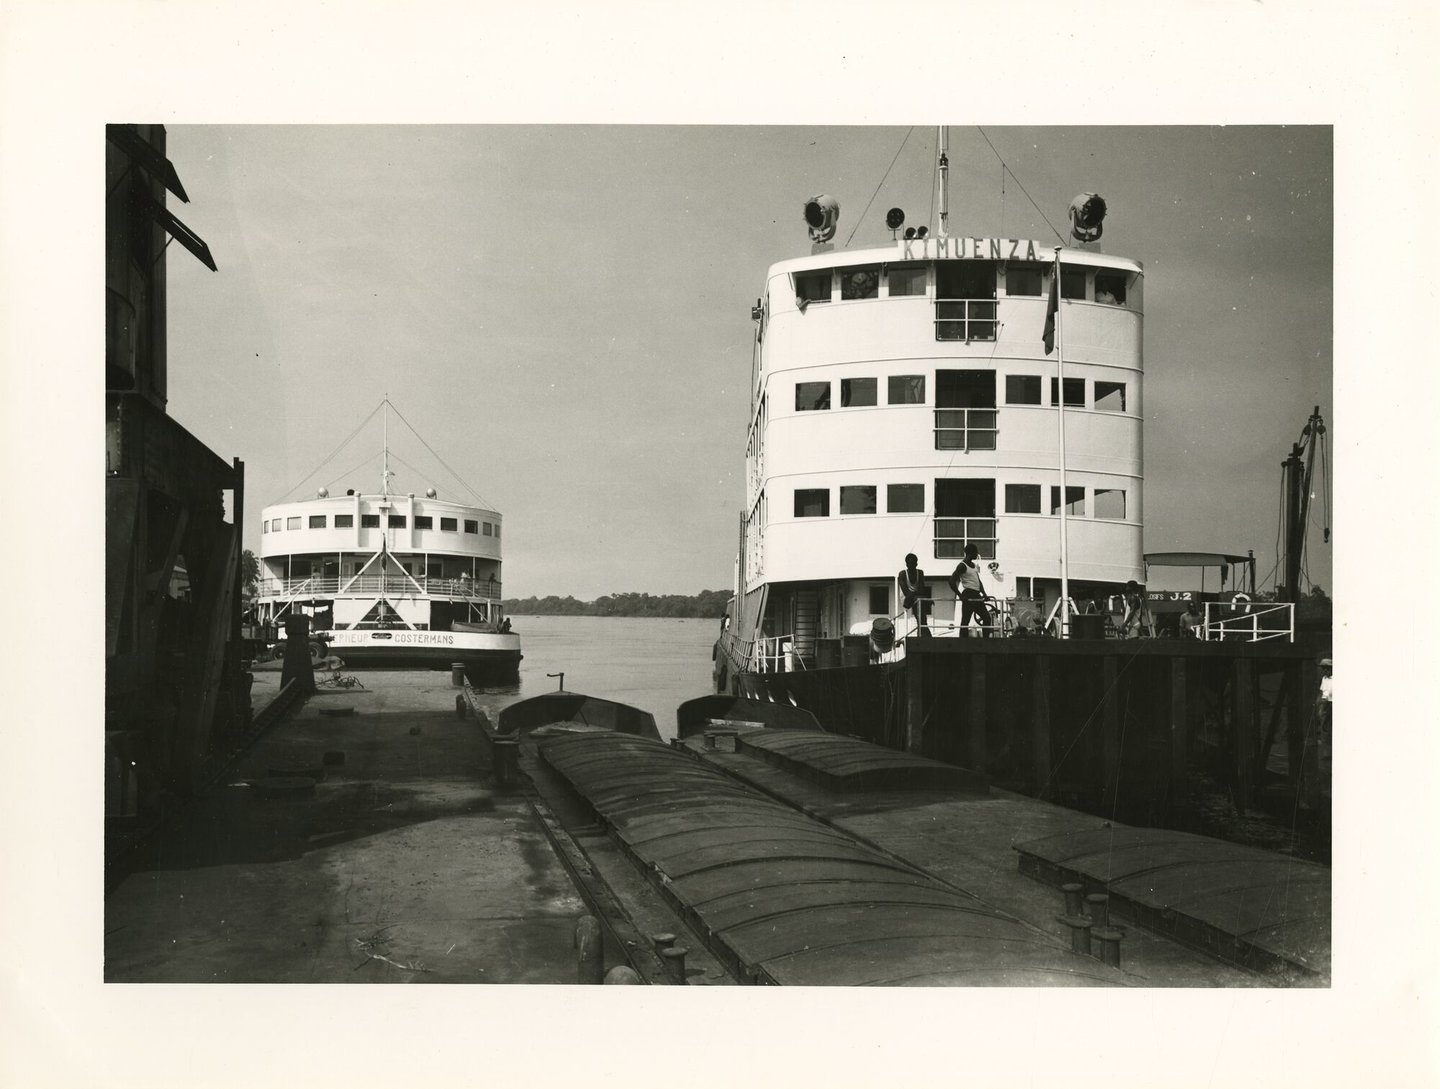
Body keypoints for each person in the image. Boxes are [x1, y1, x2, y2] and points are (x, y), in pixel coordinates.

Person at [945, 543, 993, 636]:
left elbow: (978, 581)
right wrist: (960, 595)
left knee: (987, 618)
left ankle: (986, 641)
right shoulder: (962, 566)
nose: (977, 554)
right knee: (965, 621)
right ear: (971, 553)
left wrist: (985, 594)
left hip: (976, 595)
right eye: (976, 552)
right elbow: (951, 581)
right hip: (968, 594)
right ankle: (963, 643)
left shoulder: (974, 565)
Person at [897, 552, 931, 637]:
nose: (911, 565)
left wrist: (924, 597)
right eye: (910, 564)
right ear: (906, 564)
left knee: (922, 617)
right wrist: (921, 595)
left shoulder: (920, 573)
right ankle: (925, 634)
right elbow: (906, 593)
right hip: (906, 599)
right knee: (921, 605)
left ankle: (921, 633)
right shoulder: (902, 574)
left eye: (913, 563)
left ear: (917, 564)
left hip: (917, 597)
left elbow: (922, 589)